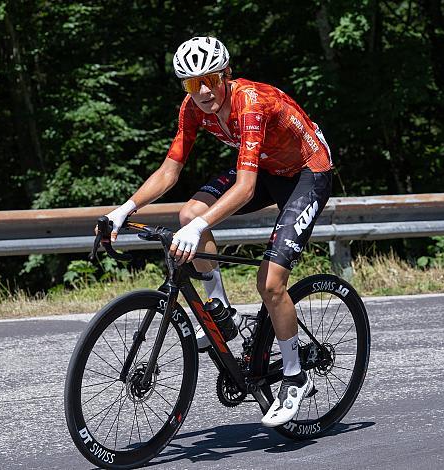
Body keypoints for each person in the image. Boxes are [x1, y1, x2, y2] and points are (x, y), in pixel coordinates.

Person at [99, 36, 333, 427]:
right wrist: (123, 210)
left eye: (210, 79)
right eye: (192, 83)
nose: (203, 91)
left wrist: (200, 227)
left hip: (308, 171)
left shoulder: (251, 104)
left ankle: (295, 377)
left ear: (225, 75)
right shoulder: (192, 108)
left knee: (271, 283)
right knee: (188, 210)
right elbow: (170, 170)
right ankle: (221, 312)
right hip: (268, 170)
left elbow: (243, 188)